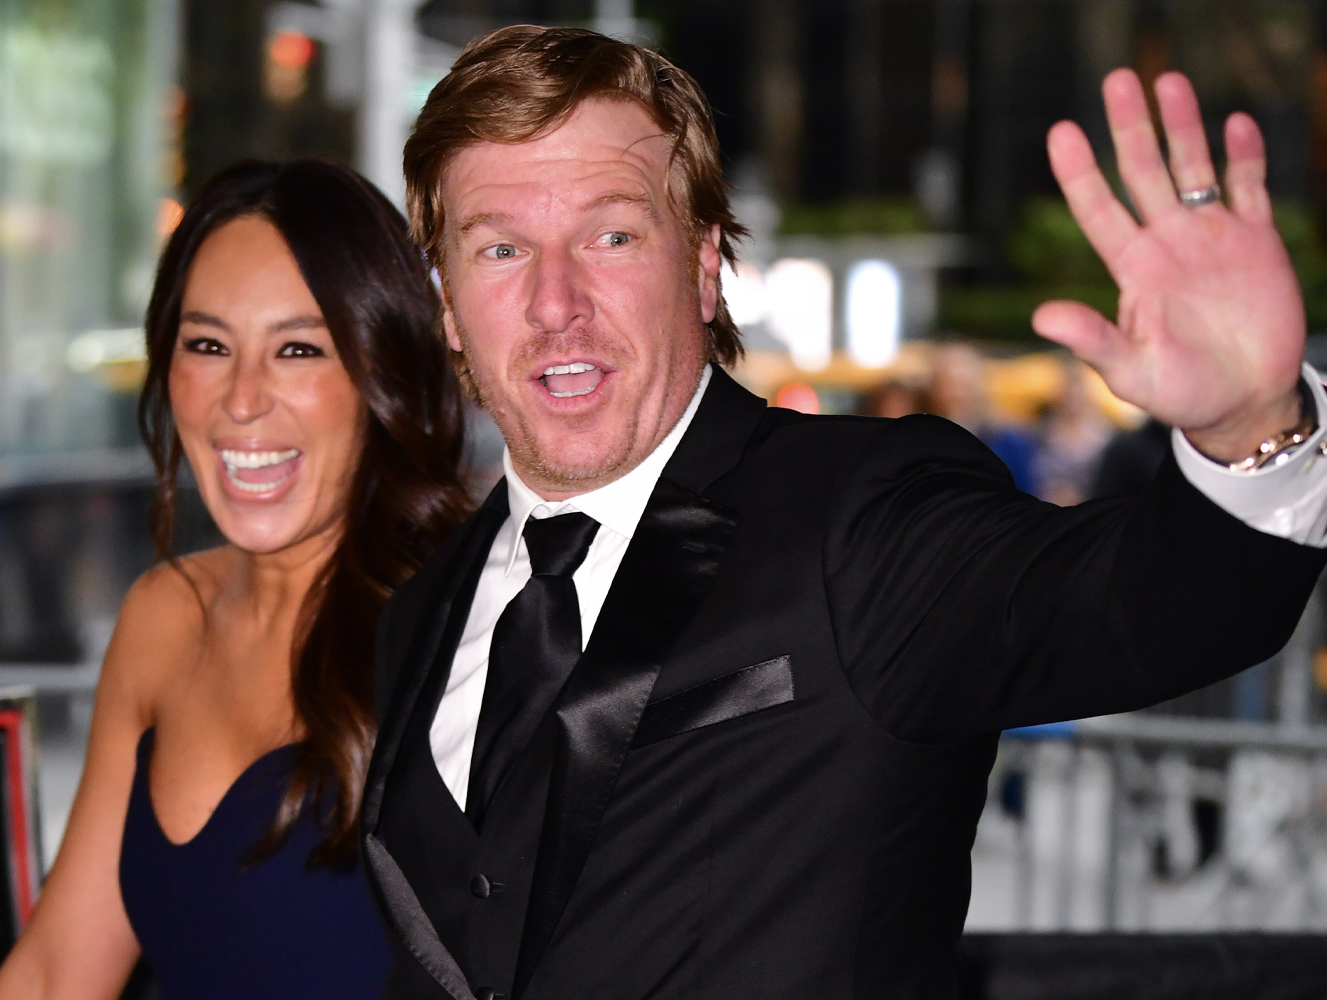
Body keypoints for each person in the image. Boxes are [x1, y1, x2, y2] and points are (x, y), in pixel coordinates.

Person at [362, 27, 1327, 1000]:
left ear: (703, 264)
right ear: (447, 305)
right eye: (500, 248)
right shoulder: (422, 609)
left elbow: (1144, 604)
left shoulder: (863, 516)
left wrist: (1252, 426)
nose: (554, 302)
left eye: (611, 236)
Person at [0, 159, 469, 1000]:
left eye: (298, 349)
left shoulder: (468, 633)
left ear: (380, 375)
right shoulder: (164, 616)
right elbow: (60, 968)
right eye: (208, 346)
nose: (241, 400)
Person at [925, 340, 1040, 493]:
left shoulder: (1006, 441)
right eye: (947, 384)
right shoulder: (923, 440)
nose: (955, 393)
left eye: (962, 384)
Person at [1034, 359, 1114, 505]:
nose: (1073, 403)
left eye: (1077, 397)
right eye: (1069, 397)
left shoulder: (1103, 435)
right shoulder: (1042, 433)